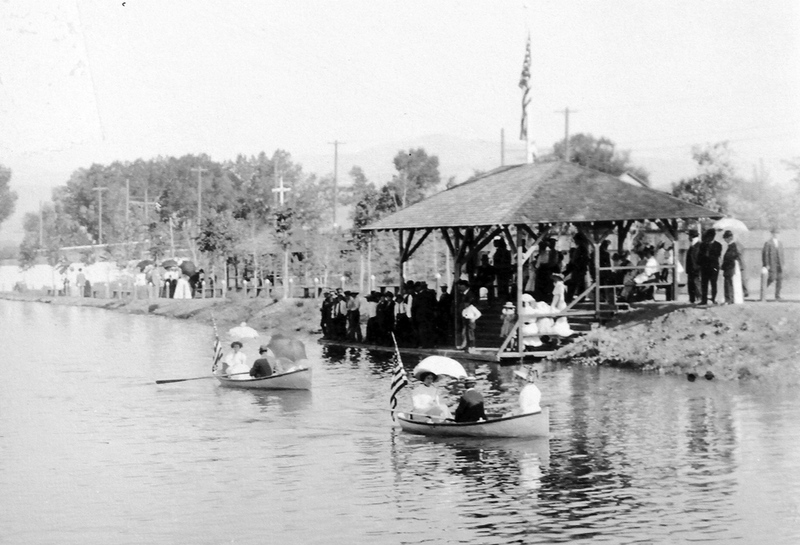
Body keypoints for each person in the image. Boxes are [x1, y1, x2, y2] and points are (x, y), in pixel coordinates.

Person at [698, 229, 722, 305]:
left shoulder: (718, 245)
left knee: (713, 283)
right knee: (704, 284)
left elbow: (717, 255)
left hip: (713, 267)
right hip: (705, 267)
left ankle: (713, 299)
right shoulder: (703, 245)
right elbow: (699, 256)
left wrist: (708, 255)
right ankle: (704, 300)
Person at [721, 230, 745, 304]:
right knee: (728, 283)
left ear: (729, 238)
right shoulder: (731, 246)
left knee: (728, 283)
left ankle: (729, 299)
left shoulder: (732, 246)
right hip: (729, 267)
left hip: (729, 267)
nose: (725, 240)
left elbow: (730, 257)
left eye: (726, 238)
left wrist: (723, 265)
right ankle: (729, 299)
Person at [762, 227, 785, 300]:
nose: (776, 235)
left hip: (779, 264)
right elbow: (765, 254)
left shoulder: (780, 243)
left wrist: (783, 264)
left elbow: (782, 254)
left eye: (778, 233)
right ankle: (763, 291)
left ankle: (777, 295)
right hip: (772, 264)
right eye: (775, 233)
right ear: (772, 234)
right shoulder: (768, 243)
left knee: (780, 279)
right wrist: (766, 264)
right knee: (771, 278)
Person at [685, 229, 702, 304]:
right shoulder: (693, 245)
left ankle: (699, 298)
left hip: (695, 269)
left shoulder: (697, 245)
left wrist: (696, 268)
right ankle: (692, 299)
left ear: (692, 236)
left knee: (696, 284)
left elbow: (695, 258)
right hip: (691, 269)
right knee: (691, 285)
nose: (688, 237)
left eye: (689, 236)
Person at [493, 237, 512, 301]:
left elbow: (503, 261)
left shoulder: (503, 252)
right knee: (502, 285)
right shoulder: (503, 251)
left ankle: (503, 297)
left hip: (502, 271)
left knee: (503, 285)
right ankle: (503, 297)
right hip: (501, 271)